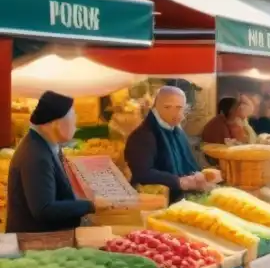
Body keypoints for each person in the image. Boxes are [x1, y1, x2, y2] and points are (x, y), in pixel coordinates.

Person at [6, 91, 113, 233]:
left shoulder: (44, 144)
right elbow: (44, 209)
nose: (76, 122)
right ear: (56, 123)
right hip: (35, 243)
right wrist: (90, 205)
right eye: (72, 116)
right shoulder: (36, 156)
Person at [125, 86, 210, 204]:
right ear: (159, 107)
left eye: (181, 108)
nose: (178, 113)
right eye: (170, 107)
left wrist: (201, 176)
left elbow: (189, 163)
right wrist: (178, 181)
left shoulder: (177, 131)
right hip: (156, 203)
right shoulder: (143, 136)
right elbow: (142, 173)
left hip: (183, 199)